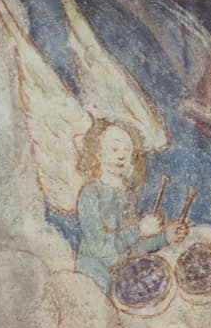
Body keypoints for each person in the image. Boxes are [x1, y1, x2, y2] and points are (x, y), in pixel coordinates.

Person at [75, 119, 187, 294]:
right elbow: (101, 247)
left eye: (127, 150)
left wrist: (165, 237)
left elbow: (131, 250)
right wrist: (139, 230)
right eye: (114, 149)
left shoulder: (127, 195)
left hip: (124, 277)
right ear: (98, 153)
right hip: (95, 280)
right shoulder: (90, 194)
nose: (121, 155)